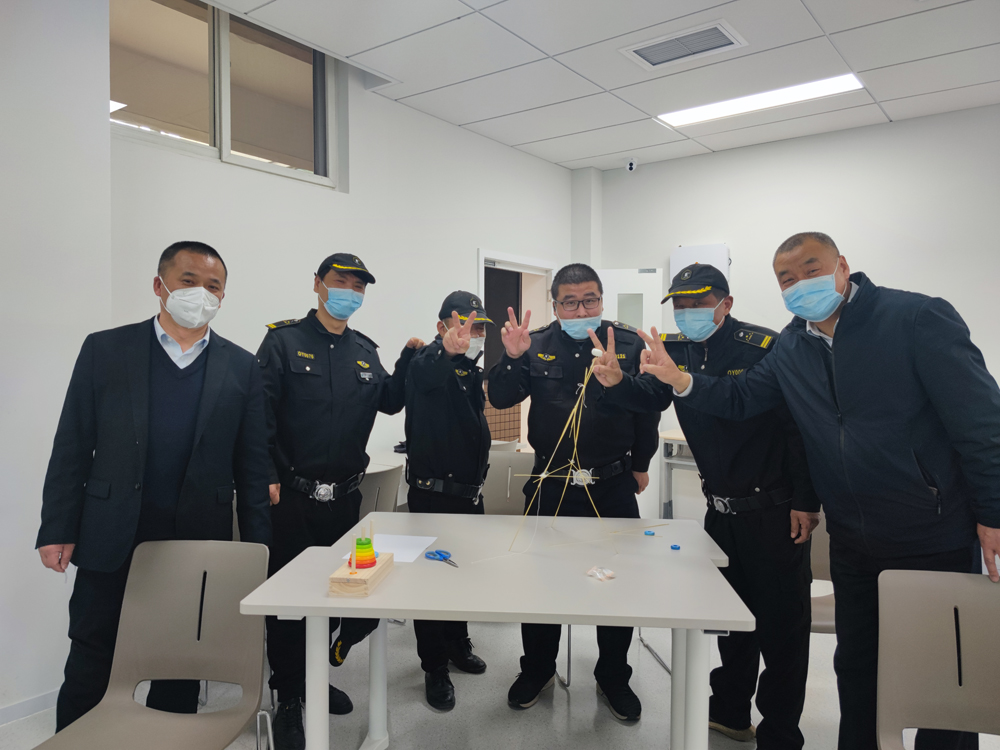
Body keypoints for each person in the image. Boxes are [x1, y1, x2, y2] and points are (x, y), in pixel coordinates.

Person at [634, 232, 1000, 750]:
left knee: (942, 674)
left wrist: (992, 511)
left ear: (842, 267)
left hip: (931, 529)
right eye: (787, 278)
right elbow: (742, 397)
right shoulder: (791, 345)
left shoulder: (915, 319)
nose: (800, 284)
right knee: (858, 667)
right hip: (853, 538)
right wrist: (681, 381)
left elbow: (981, 423)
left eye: (812, 270)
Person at [36, 241, 272, 731]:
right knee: (91, 659)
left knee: (180, 668)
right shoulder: (105, 349)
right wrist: (57, 527)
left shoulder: (242, 366)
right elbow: (72, 444)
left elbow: (252, 469)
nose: (201, 293)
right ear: (159, 285)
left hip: (195, 544)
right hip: (110, 534)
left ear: (223, 296)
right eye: (188, 281)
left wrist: (258, 554)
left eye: (213, 286)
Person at [593, 262, 818, 748]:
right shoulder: (675, 349)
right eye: (680, 304)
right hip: (720, 513)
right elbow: (651, 397)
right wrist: (617, 383)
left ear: (726, 303)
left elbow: (795, 429)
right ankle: (731, 712)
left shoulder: (763, 347)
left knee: (781, 631)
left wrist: (807, 500)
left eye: (699, 302)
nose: (688, 311)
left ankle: (780, 734)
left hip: (774, 511)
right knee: (730, 622)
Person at [256, 253, 422, 750]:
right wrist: (265, 474)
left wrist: (409, 359)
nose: (349, 291)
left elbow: (389, 400)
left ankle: (313, 676)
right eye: (340, 281)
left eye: (358, 286)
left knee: (339, 595)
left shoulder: (364, 351)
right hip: (292, 499)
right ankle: (289, 696)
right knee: (290, 605)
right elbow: (258, 413)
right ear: (318, 284)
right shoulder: (282, 342)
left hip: (345, 502)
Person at [487, 263, 660, 722]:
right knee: (541, 582)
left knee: (617, 583)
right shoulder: (535, 343)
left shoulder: (629, 343)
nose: (581, 310)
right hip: (551, 483)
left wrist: (641, 463)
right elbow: (501, 399)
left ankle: (613, 676)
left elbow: (649, 409)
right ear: (555, 305)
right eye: (570, 302)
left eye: (590, 300)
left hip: (612, 484)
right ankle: (537, 669)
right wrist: (511, 357)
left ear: (602, 299)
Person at [403, 291, 494, 711]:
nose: (473, 334)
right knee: (431, 586)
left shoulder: (470, 370)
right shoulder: (426, 361)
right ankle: (434, 667)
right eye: (464, 325)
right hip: (433, 498)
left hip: (469, 498)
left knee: (461, 579)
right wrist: (443, 350)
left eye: (479, 328)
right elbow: (425, 375)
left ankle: (458, 643)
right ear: (442, 327)